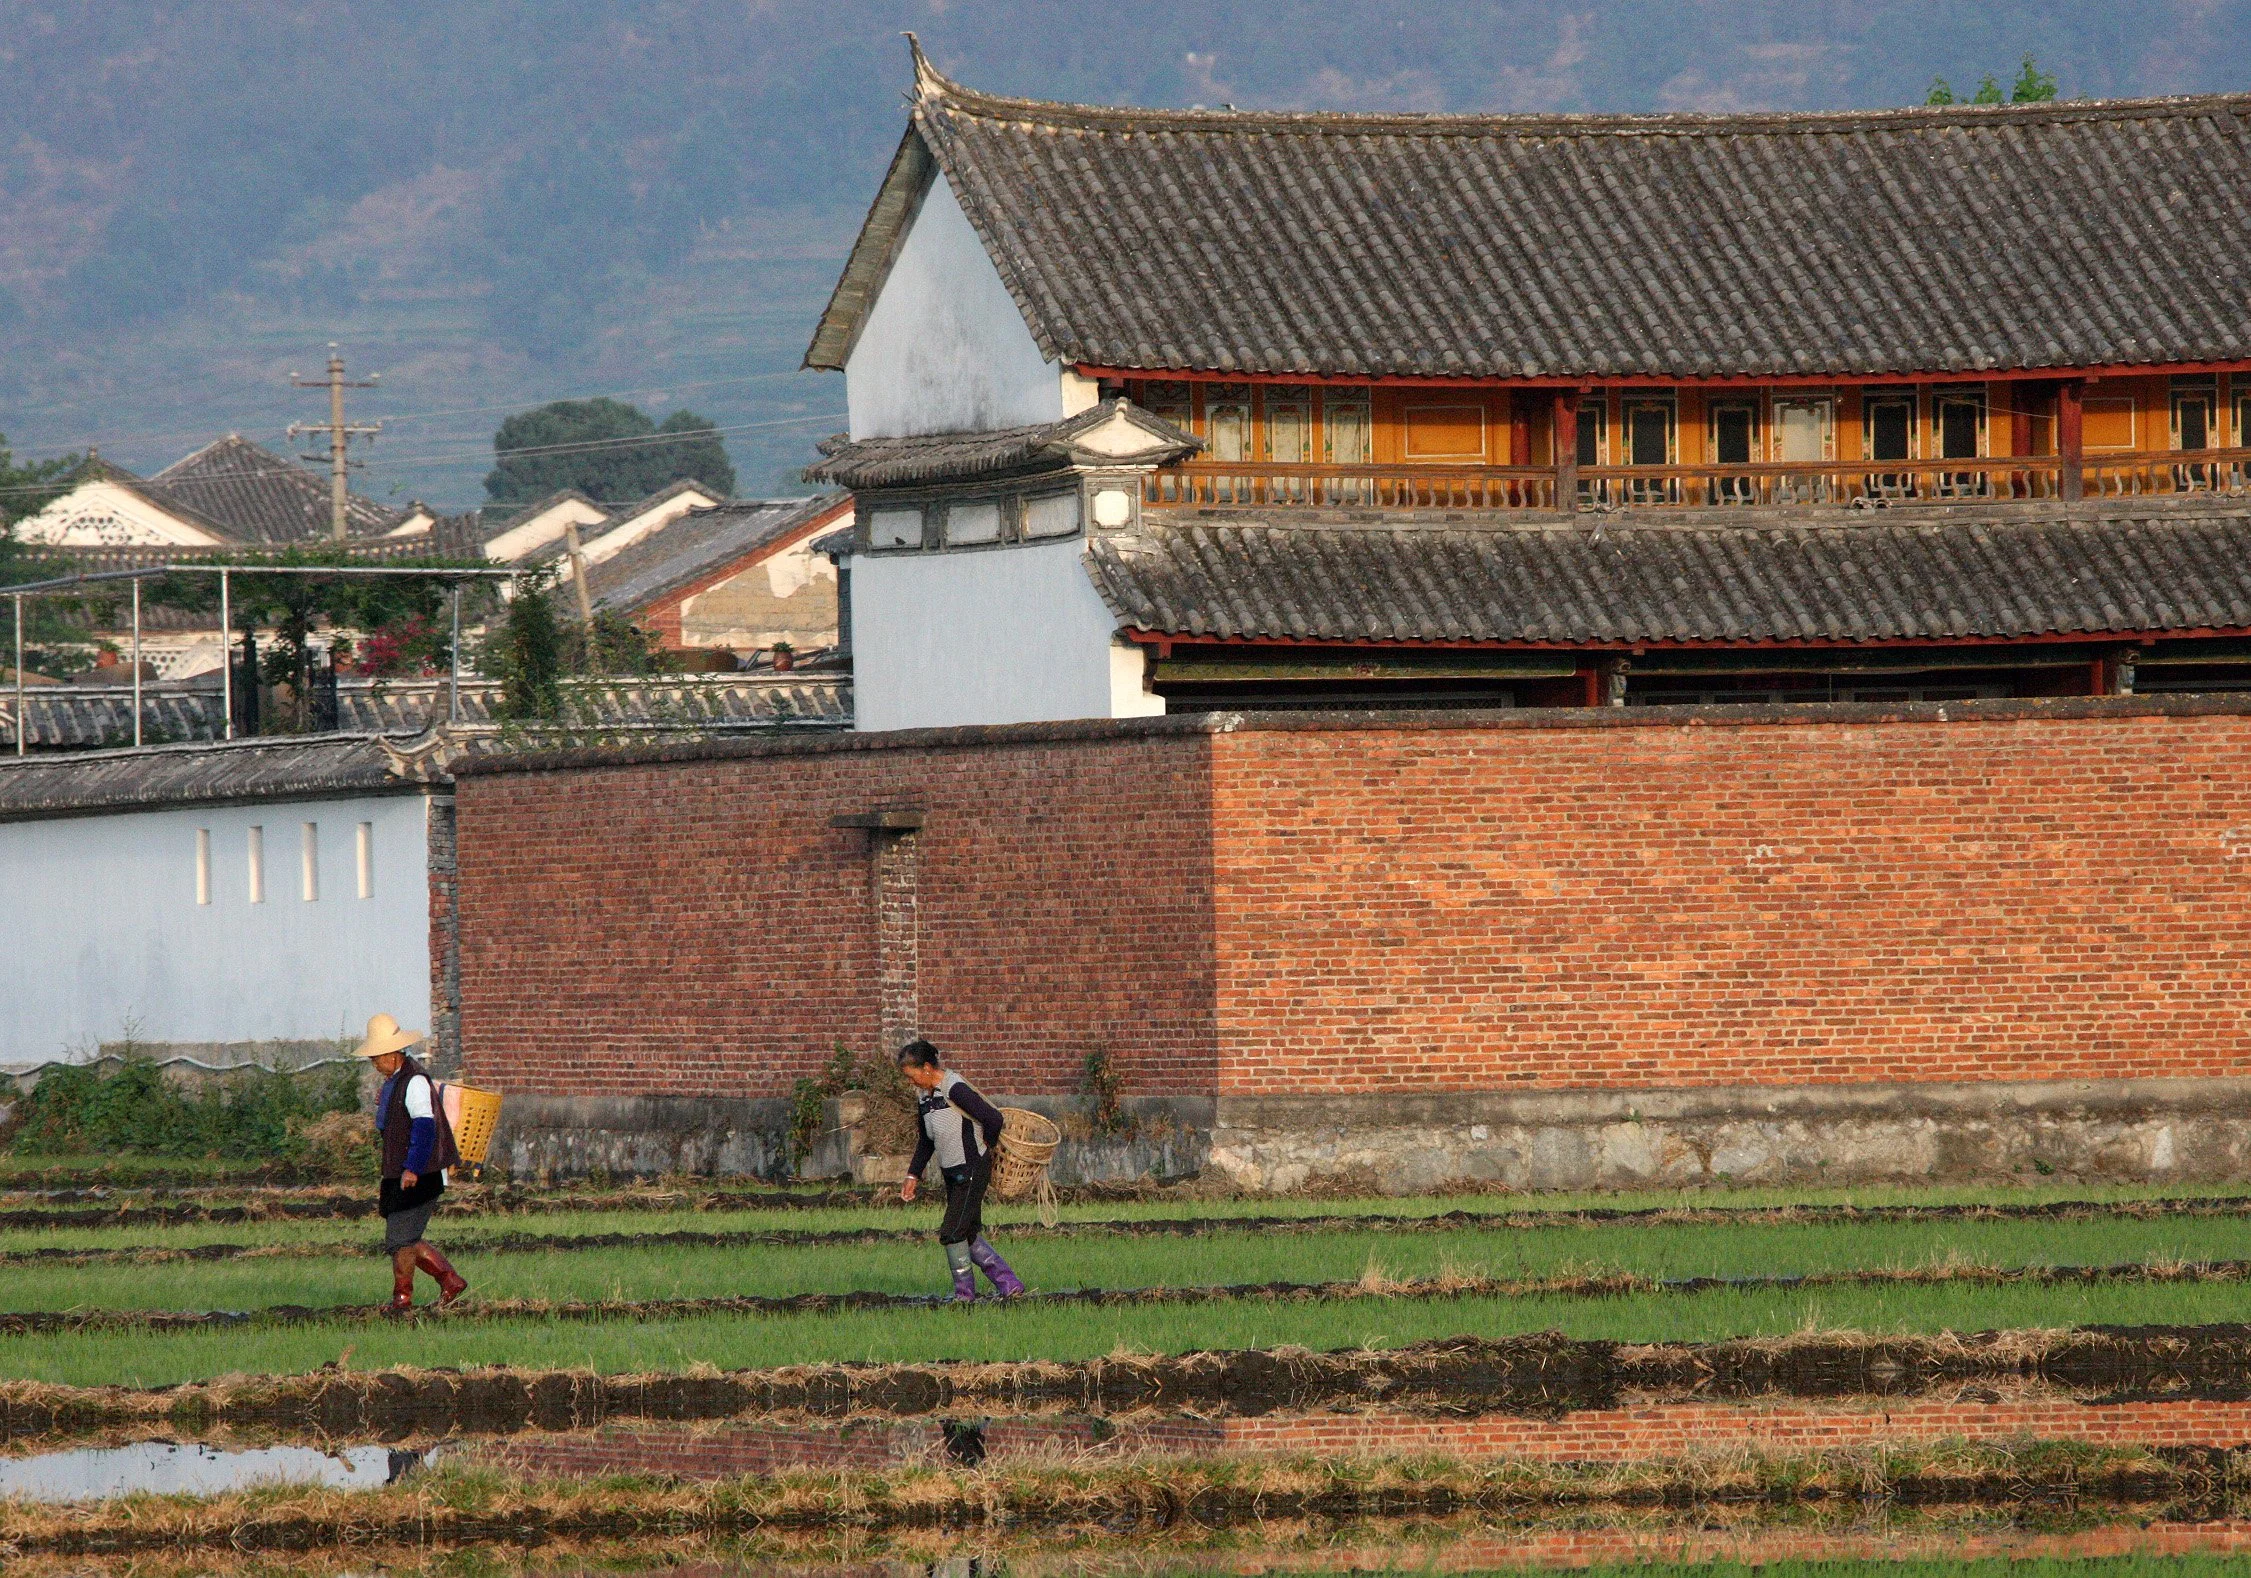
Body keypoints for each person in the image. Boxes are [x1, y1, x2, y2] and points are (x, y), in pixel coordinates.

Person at [355, 1013, 468, 1313]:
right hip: (398, 1171)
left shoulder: (414, 1081)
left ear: (392, 1054)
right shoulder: (394, 1083)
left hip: (420, 1172)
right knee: (401, 1239)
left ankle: (405, 1299)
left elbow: (424, 1127)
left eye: (376, 1058)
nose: (374, 1065)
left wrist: (413, 1168)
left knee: (401, 1239)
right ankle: (445, 1282)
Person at [896, 1039, 1025, 1302]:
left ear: (928, 1068)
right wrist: (913, 1175)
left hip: (972, 1170)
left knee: (952, 1232)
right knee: (966, 1233)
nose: (911, 1083)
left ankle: (965, 1295)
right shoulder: (924, 1098)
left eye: (913, 1076)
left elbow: (993, 1118)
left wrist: (986, 1144)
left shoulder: (955, 1089)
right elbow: (926, 1141)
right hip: (951, 1173)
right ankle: (1009, 1285)